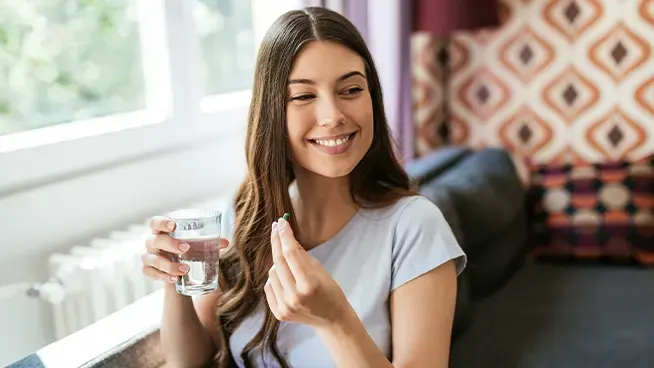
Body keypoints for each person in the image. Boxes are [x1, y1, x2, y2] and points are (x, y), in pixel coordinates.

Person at [141, 6, 466, 368]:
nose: (332, 115)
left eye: (352, 89)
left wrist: (334, 319)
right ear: (272, 113)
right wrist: (176, 283)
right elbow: (190, 360)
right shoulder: (245, 217)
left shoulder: (415, 227)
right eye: (303, 96)